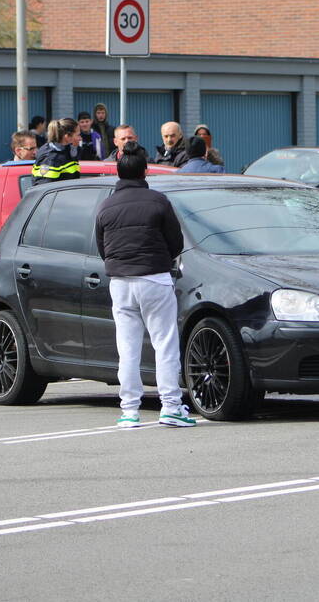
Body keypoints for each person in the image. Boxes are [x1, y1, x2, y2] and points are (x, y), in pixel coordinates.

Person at [95, 149, 196, 428]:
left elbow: (103, 247)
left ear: (117, 172)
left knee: (127, 349)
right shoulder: (158, 201)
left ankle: (129, 411)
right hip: (154, 278)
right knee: (164, 344)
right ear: (145, 172)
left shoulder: (106, 205)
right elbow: (176, 242)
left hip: (120, 283)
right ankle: (171, 407)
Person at [32, 118, 81, 185]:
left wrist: (75, 148)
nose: (80, 138)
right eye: (78, 135)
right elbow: (44, 188)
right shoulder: (50, 159)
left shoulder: (67, 149)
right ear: (67, 137)